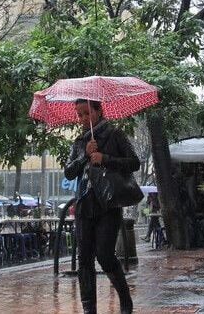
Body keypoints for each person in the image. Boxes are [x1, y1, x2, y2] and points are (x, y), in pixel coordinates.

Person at [64, 99, 139, 314]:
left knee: (105, 255)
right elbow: (69, 172)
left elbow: (134, 162)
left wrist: (104, 158)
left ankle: (125, 300)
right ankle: (89, 309)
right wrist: (84, 156)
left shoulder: (115, 134)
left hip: (108, 203)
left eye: (87, 113)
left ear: (99, 111)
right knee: (84, 258)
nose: (83, 119)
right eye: (79, 115)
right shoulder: (79, 142)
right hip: (83, 204)